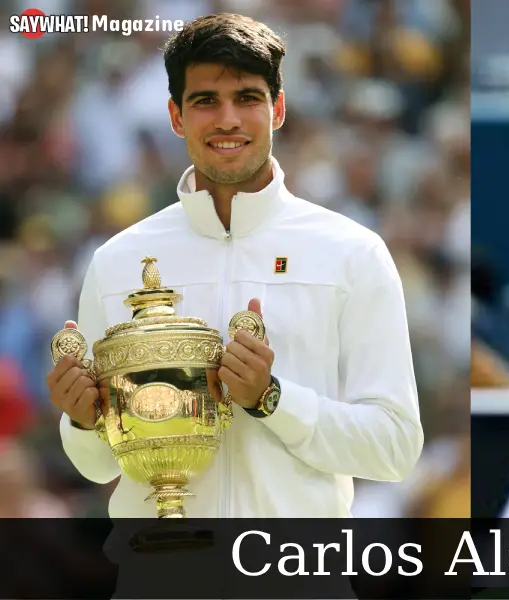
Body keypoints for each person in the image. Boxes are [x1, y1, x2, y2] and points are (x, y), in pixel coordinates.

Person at [44, 13, 424, 518]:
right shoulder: (117, 261)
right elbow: (97, 466)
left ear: (278, 109)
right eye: (205, 101)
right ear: (177, 116)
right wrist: (83, 419)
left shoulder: (353, 252)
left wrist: (270, 399)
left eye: (247, 98)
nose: (227, 120)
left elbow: (394, 447)